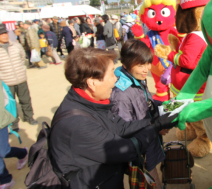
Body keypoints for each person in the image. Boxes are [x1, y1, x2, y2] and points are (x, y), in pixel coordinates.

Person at [49, 48, 177, 189]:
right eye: (111, 74)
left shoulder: (92, 102)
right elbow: (127, 149)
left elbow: (121, 127)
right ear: (92, 83)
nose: (116, 79)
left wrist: (156, 123)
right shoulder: (78, 125)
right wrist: (155, 128)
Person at [110, 39, 166, 188]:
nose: (146, 69)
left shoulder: (135, 78)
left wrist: (165, 107)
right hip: (141, 151)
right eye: (140, 65)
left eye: (147, 63)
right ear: (126, 64)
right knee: (151, 182)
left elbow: (146, 103)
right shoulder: (121, 94)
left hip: (149, 141)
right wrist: (155, 126)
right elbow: (125, 129)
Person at [0, 23, 38, 131]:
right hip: (6, 82)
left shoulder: (16, 45)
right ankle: (13, 122)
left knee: (25, 99)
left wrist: (19, 70)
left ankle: (29, 117)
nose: (4, 35)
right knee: (10, 103)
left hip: (20, 79)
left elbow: (22, 59)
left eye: (5, 33)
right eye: (1, 34)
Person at [0, 80, 28, 189]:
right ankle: (5, 179)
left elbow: (5, 99)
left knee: (3, 151)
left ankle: (22, 153)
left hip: (0, 122)